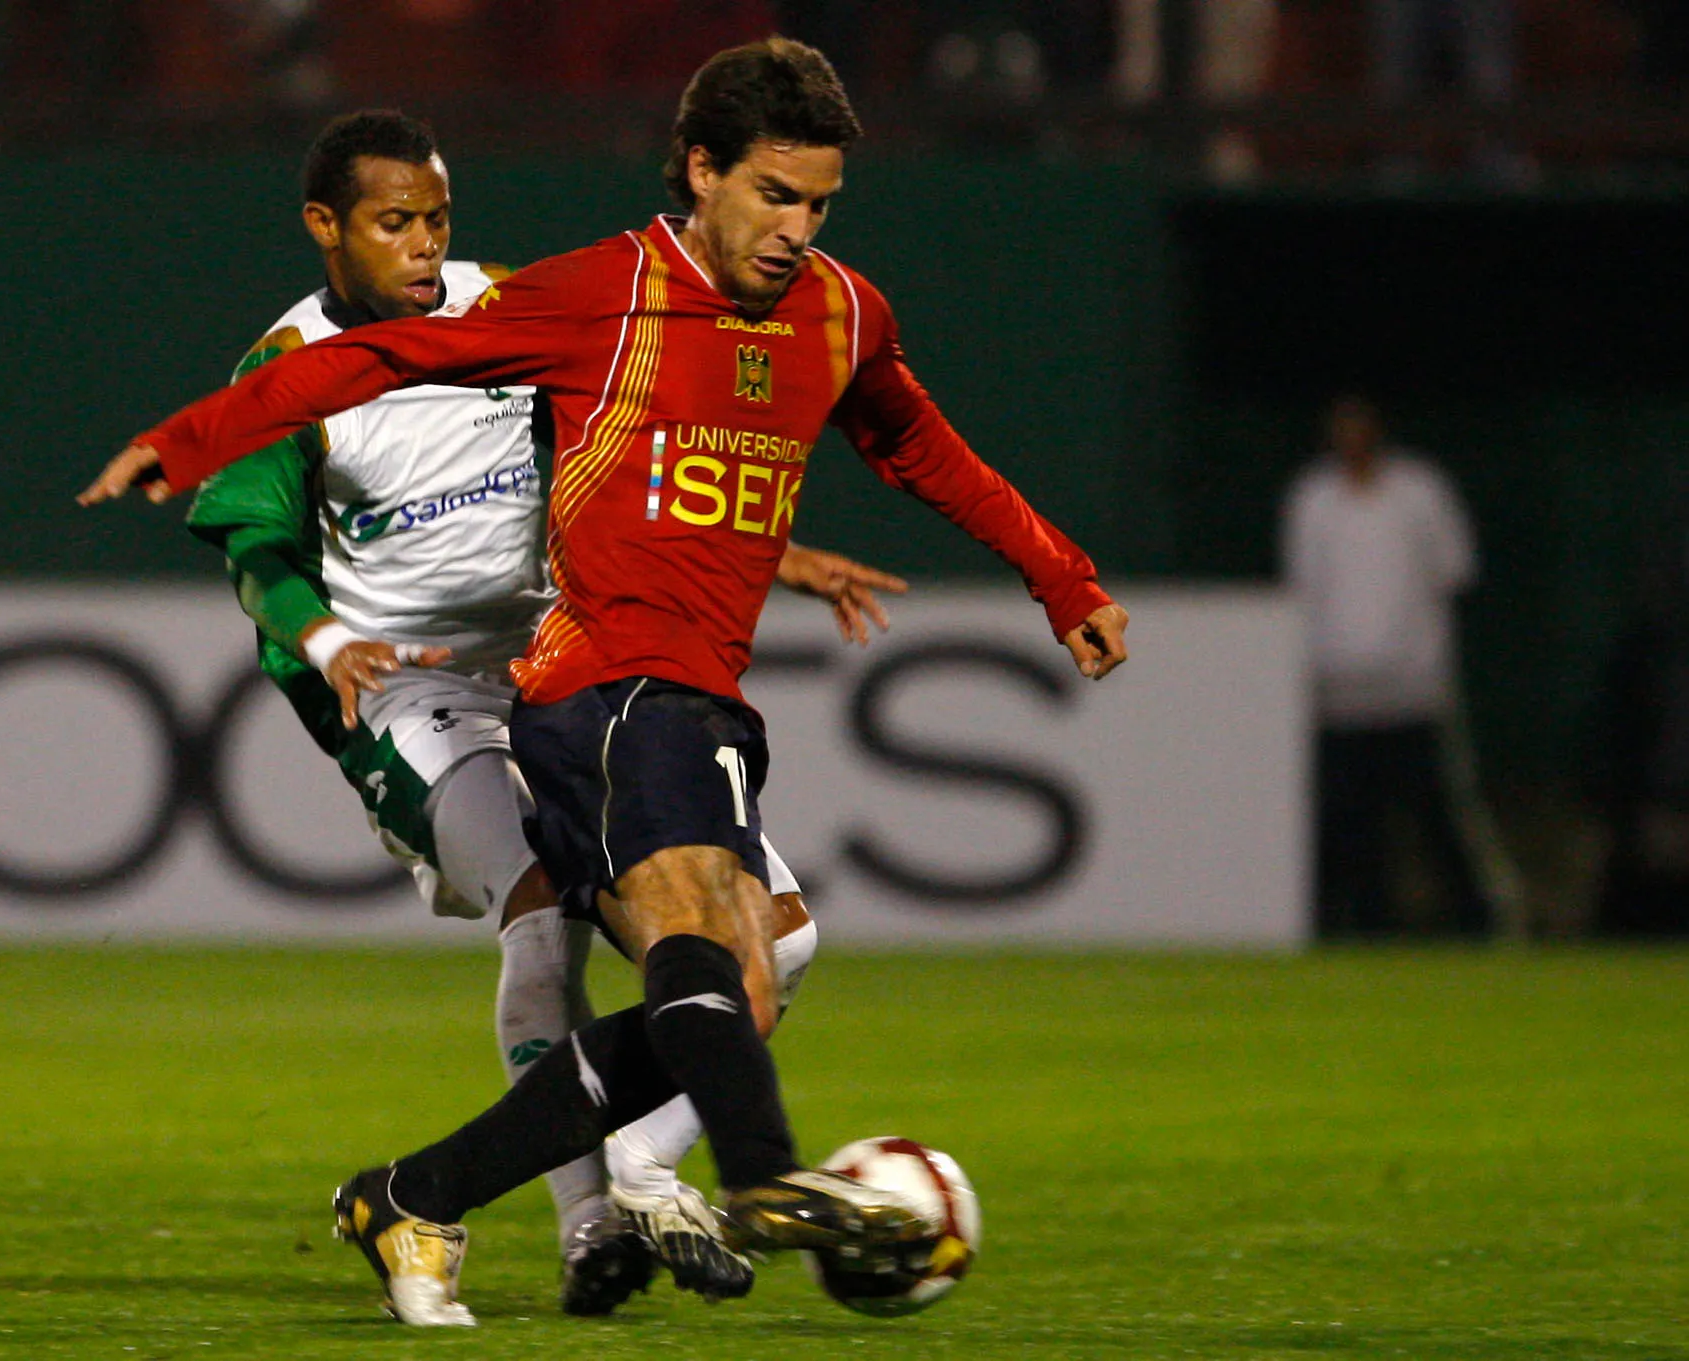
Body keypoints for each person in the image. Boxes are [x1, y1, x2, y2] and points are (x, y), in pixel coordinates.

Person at [81, 38, 1128, 1327]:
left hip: (668, 678)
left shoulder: (838, 311)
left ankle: (434, 1189)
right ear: (700, 170)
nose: (797, 230)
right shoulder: (598, 294)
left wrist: (1060, 578)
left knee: (755, 966)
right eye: (774, 196)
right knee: (587, 917)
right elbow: (369, 376)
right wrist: (193, 440)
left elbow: (916, 449)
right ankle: (708, 1188)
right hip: (541, 681)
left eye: (819, 204)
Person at [183, 107, 899, 1315]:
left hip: (566, 661)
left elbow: (633, 448)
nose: (423, 243)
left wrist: (774, 553)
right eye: (392, 222)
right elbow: (255, 550)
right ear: (324, 227)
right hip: (410, 690)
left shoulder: (509, 305)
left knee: (776, 941)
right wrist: (325, 637)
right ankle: (590, 1224)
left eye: (436, 218)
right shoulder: (287, 369)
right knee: (542, 911)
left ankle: (642, 1168)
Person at [1281, 394, 1505, 938]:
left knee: (1432, 811)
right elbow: (1302, 585)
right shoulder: (1313, 498)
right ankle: (1358, 924)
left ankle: (1479, 922)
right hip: (1337, 693)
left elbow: (1454, 572)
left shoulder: (1421, 491)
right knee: (1346, 817)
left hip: (1412, 690)